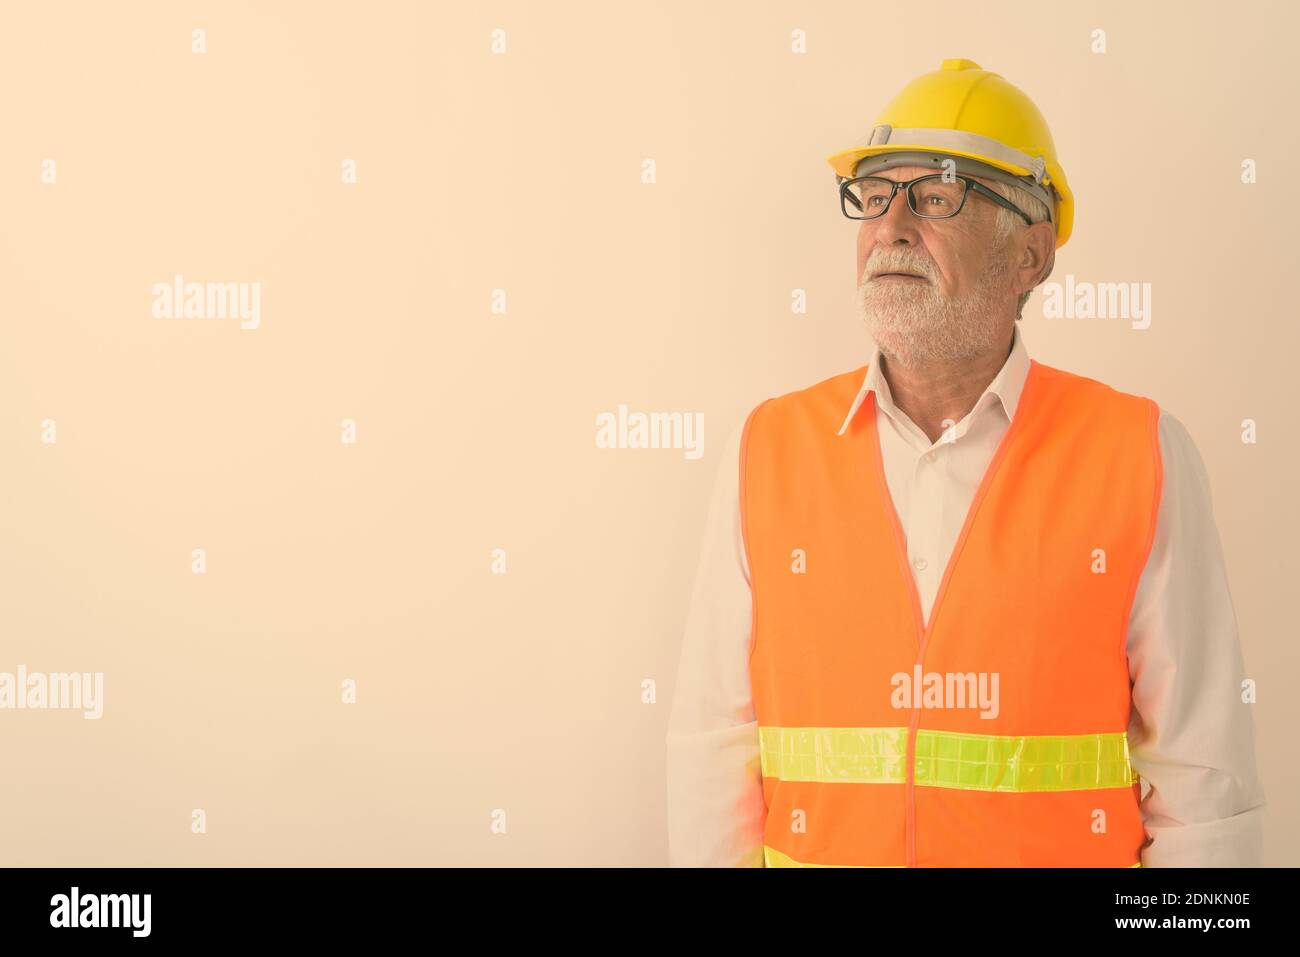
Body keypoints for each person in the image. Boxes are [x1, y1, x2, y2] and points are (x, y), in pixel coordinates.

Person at [665, 59, 1265, 867]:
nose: (893, 226)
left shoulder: (1140, 453)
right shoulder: (765, 450)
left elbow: (1205, 794)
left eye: (937, 195)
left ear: (1031, 253)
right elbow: (712, 759)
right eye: (875, 195)